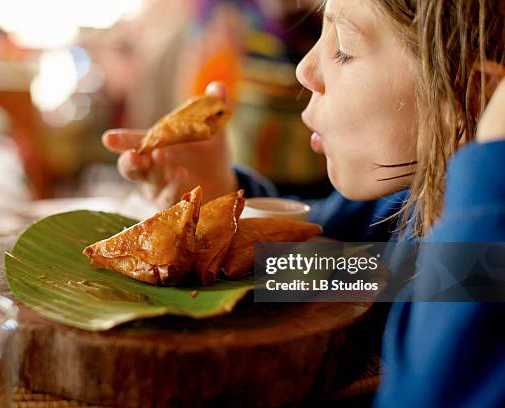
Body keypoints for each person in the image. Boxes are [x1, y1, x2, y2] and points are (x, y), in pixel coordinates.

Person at [102, 0, 505, 406]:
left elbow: (425, 395)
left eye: (344, 46)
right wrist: (223, 199)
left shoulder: (485, 252)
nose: (304, 69)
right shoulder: (411, 208)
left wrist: (492, 167)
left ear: (473, 96)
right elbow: (331, 269)